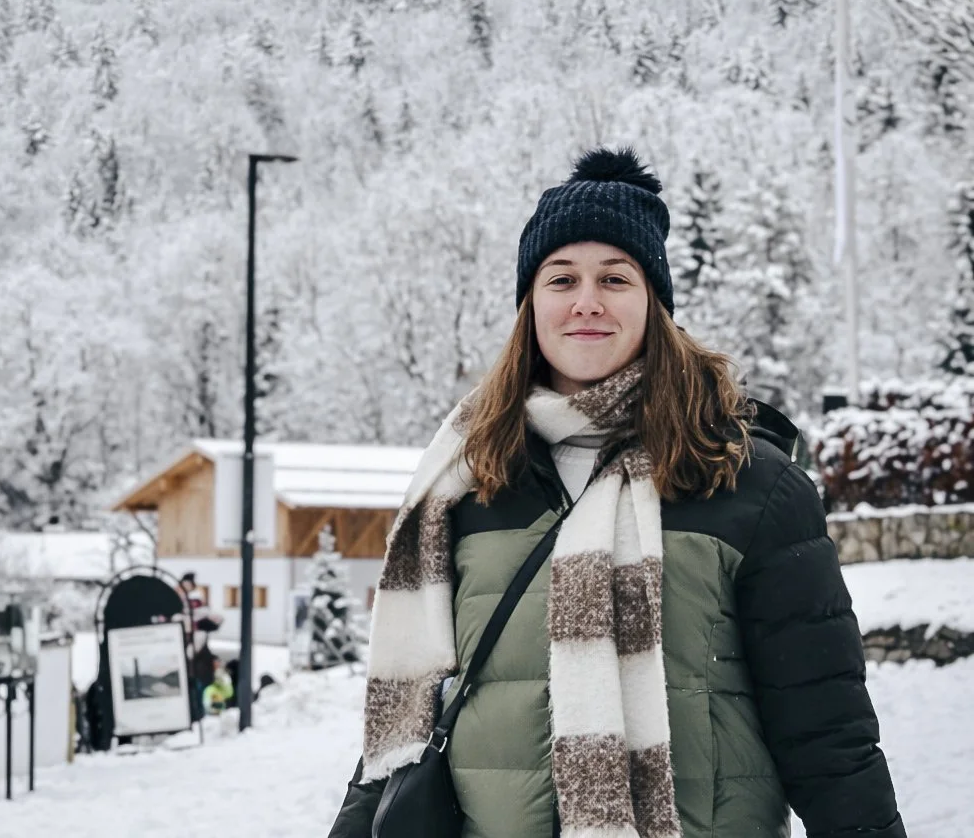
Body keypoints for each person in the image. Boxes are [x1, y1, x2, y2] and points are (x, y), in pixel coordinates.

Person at [329, 148, 906, 838]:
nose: (587, 302)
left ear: (653, 302)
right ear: (531, 304)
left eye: (615, 278)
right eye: (561, 278)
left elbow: (828, 736)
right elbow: (404, 728)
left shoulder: (748, 483)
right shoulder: (470, 480)